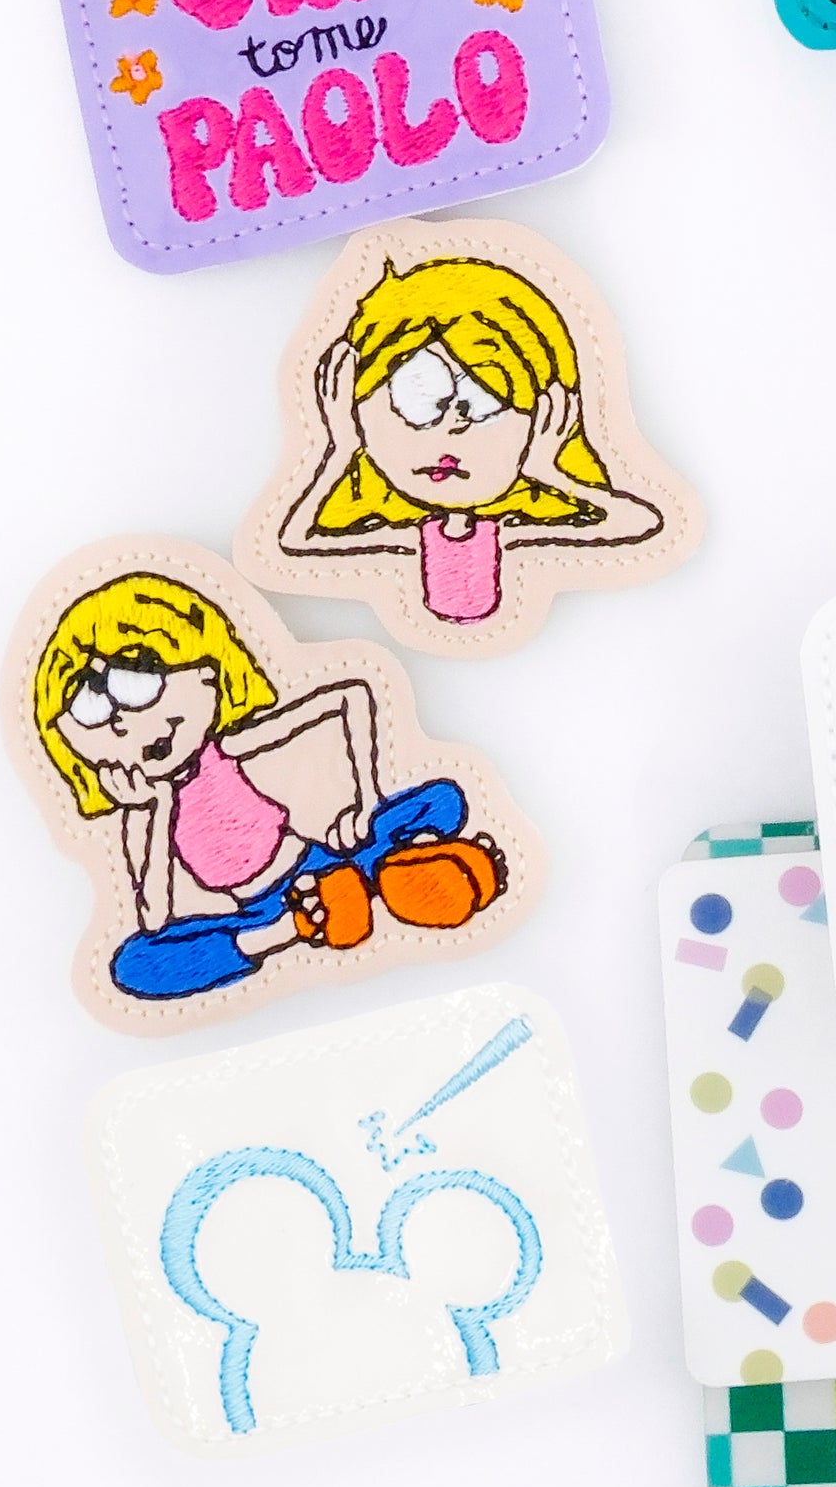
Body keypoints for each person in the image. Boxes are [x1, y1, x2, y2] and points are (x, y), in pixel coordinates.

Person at [33, 572, 504, 1000]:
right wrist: (156, 806)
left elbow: (350, 696)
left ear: (206, 671)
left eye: (139, 687)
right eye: (97, 718)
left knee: (442, 799)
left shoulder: (227, 748)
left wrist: (364, 803)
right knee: (136, 964)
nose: (127, 726)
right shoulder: (148, 811)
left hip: (322, 859)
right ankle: (334, 906)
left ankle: (367, 886)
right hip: (262, 913)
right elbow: (156, 918)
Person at [278, 254, 665, 624]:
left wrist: (550, 474)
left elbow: (642, 523)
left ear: (544, 413)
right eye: (419, 399)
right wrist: (341, 450)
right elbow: (295, 540)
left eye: (483, 404)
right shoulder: (408, 539)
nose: (451, 428)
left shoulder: (510, 535)